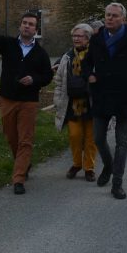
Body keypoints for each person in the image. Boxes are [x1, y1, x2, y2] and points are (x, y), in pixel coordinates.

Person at [84, 3, 127, 200]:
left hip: (124, 96)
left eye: (114, 16)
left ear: (123, 19)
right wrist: (89, 75)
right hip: (102, 94)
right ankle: (108, 165)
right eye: (107, 15)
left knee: (122, 142)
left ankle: (117, 183)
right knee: (98, 137)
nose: (110, 18)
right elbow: (87, 62)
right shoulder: (97, 39)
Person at [0, 13, 53, 195]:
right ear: (20, 26)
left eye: (31, 24)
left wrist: (34, 79)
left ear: (35, 30)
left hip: (28, 101)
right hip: (8, 98)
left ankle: (19, 178)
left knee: (25, 139)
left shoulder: (40, 53)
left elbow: (48, 76)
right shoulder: (8, 44)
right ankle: (23, 163)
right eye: (24, 23)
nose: (27, 26)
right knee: (11, 136)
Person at [53, 23, 97, 182]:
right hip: (72, 104)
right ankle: (77, 163)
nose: (76, 39)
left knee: (91, 138)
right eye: (74, 36)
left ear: (88, 38)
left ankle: (89, 167)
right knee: (75, 135)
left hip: (92, 103)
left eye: (80, 36)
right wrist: (57, 100)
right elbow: (59, 81)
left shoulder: (96, 55)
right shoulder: (67, 57)